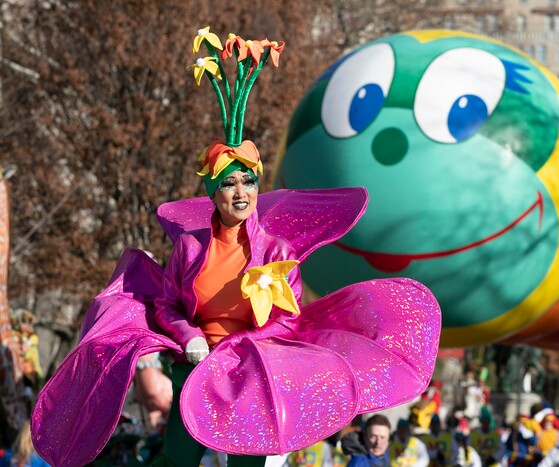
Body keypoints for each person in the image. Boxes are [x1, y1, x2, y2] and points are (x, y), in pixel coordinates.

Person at [31, 28, 441, 467]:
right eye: (229, 183)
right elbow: (167, 306)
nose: (241, 191)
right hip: (192, 365)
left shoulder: (276, 250)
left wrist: (237, 347)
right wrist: (189, 338)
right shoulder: (190, 248)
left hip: (251, 371)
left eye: (249, 180)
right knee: (178, 459)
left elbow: (286, 321)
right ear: (213, 192)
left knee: (248, 461)